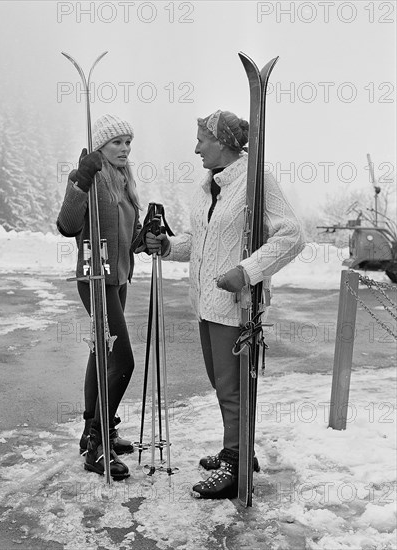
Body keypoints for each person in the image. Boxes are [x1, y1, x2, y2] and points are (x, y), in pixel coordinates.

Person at [146, 110, 305, 499]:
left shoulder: (256, 180)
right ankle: (237, 450)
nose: (196, 146)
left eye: (202, 138)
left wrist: (247, 271)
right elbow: (204, 242)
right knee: (223, 385)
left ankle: (236, 464)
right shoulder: (211, 186)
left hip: (238, 304)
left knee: (233, 388)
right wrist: (169, 246)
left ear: (224, 143)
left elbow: (292, 236)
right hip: (206, 302)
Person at [57, 114, 141, 480]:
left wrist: (149, 234)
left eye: (127, 142)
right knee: (122, 361)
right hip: (95, 278)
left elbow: (131, 237)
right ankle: (97, 444)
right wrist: (81, 179)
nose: (124, 149)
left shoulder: (124, 180)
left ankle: (91, 429)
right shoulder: (89, 177)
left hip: (118, 279)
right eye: (116, 143)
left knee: (101, 352)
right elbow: (67, 225)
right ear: (100, 148)